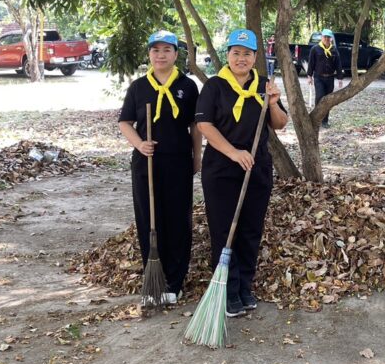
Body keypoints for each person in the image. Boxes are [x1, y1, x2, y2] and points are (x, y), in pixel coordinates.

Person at [195, 28, 288, 317]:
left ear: (255, 57)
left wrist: (273, 103)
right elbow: (204, 125)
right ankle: (227, 289)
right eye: (236, 53)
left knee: (250, 229)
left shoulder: (263, 85)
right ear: (228, 55)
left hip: (257, 167)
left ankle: (244, 287)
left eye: (247, 54)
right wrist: (234, 152)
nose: (241, 58)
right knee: (224, 230)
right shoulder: (214, 86)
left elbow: (280, 123)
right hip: (222, 168)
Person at [117, 30, 201, 305]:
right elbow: (125, 122)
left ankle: (174, 282)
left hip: (178, 160)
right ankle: (154, 279)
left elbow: (195, 125)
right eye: (156, 50)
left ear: (176, 54)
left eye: (167, 50)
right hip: (147, 163)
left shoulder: (187, 86)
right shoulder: (139, 87)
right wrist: (140, 144)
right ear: (149, 54)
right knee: (149, 220)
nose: (161, 55)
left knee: (177, 220)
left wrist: (197, 157)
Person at [306, 28, 343, 127]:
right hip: (319, 78)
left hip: (330, 78)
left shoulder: (334, 50)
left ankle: (325, 121)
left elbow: (338, 65)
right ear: (322, 37)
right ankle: (316, 118)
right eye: (325, 37)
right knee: (319, 97)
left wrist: (340, 78)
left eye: (328, 37)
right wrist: (309, 76)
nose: (326, 39)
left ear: (331, 39)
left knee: (328, 99)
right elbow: (311, 63)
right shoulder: (315, 49)